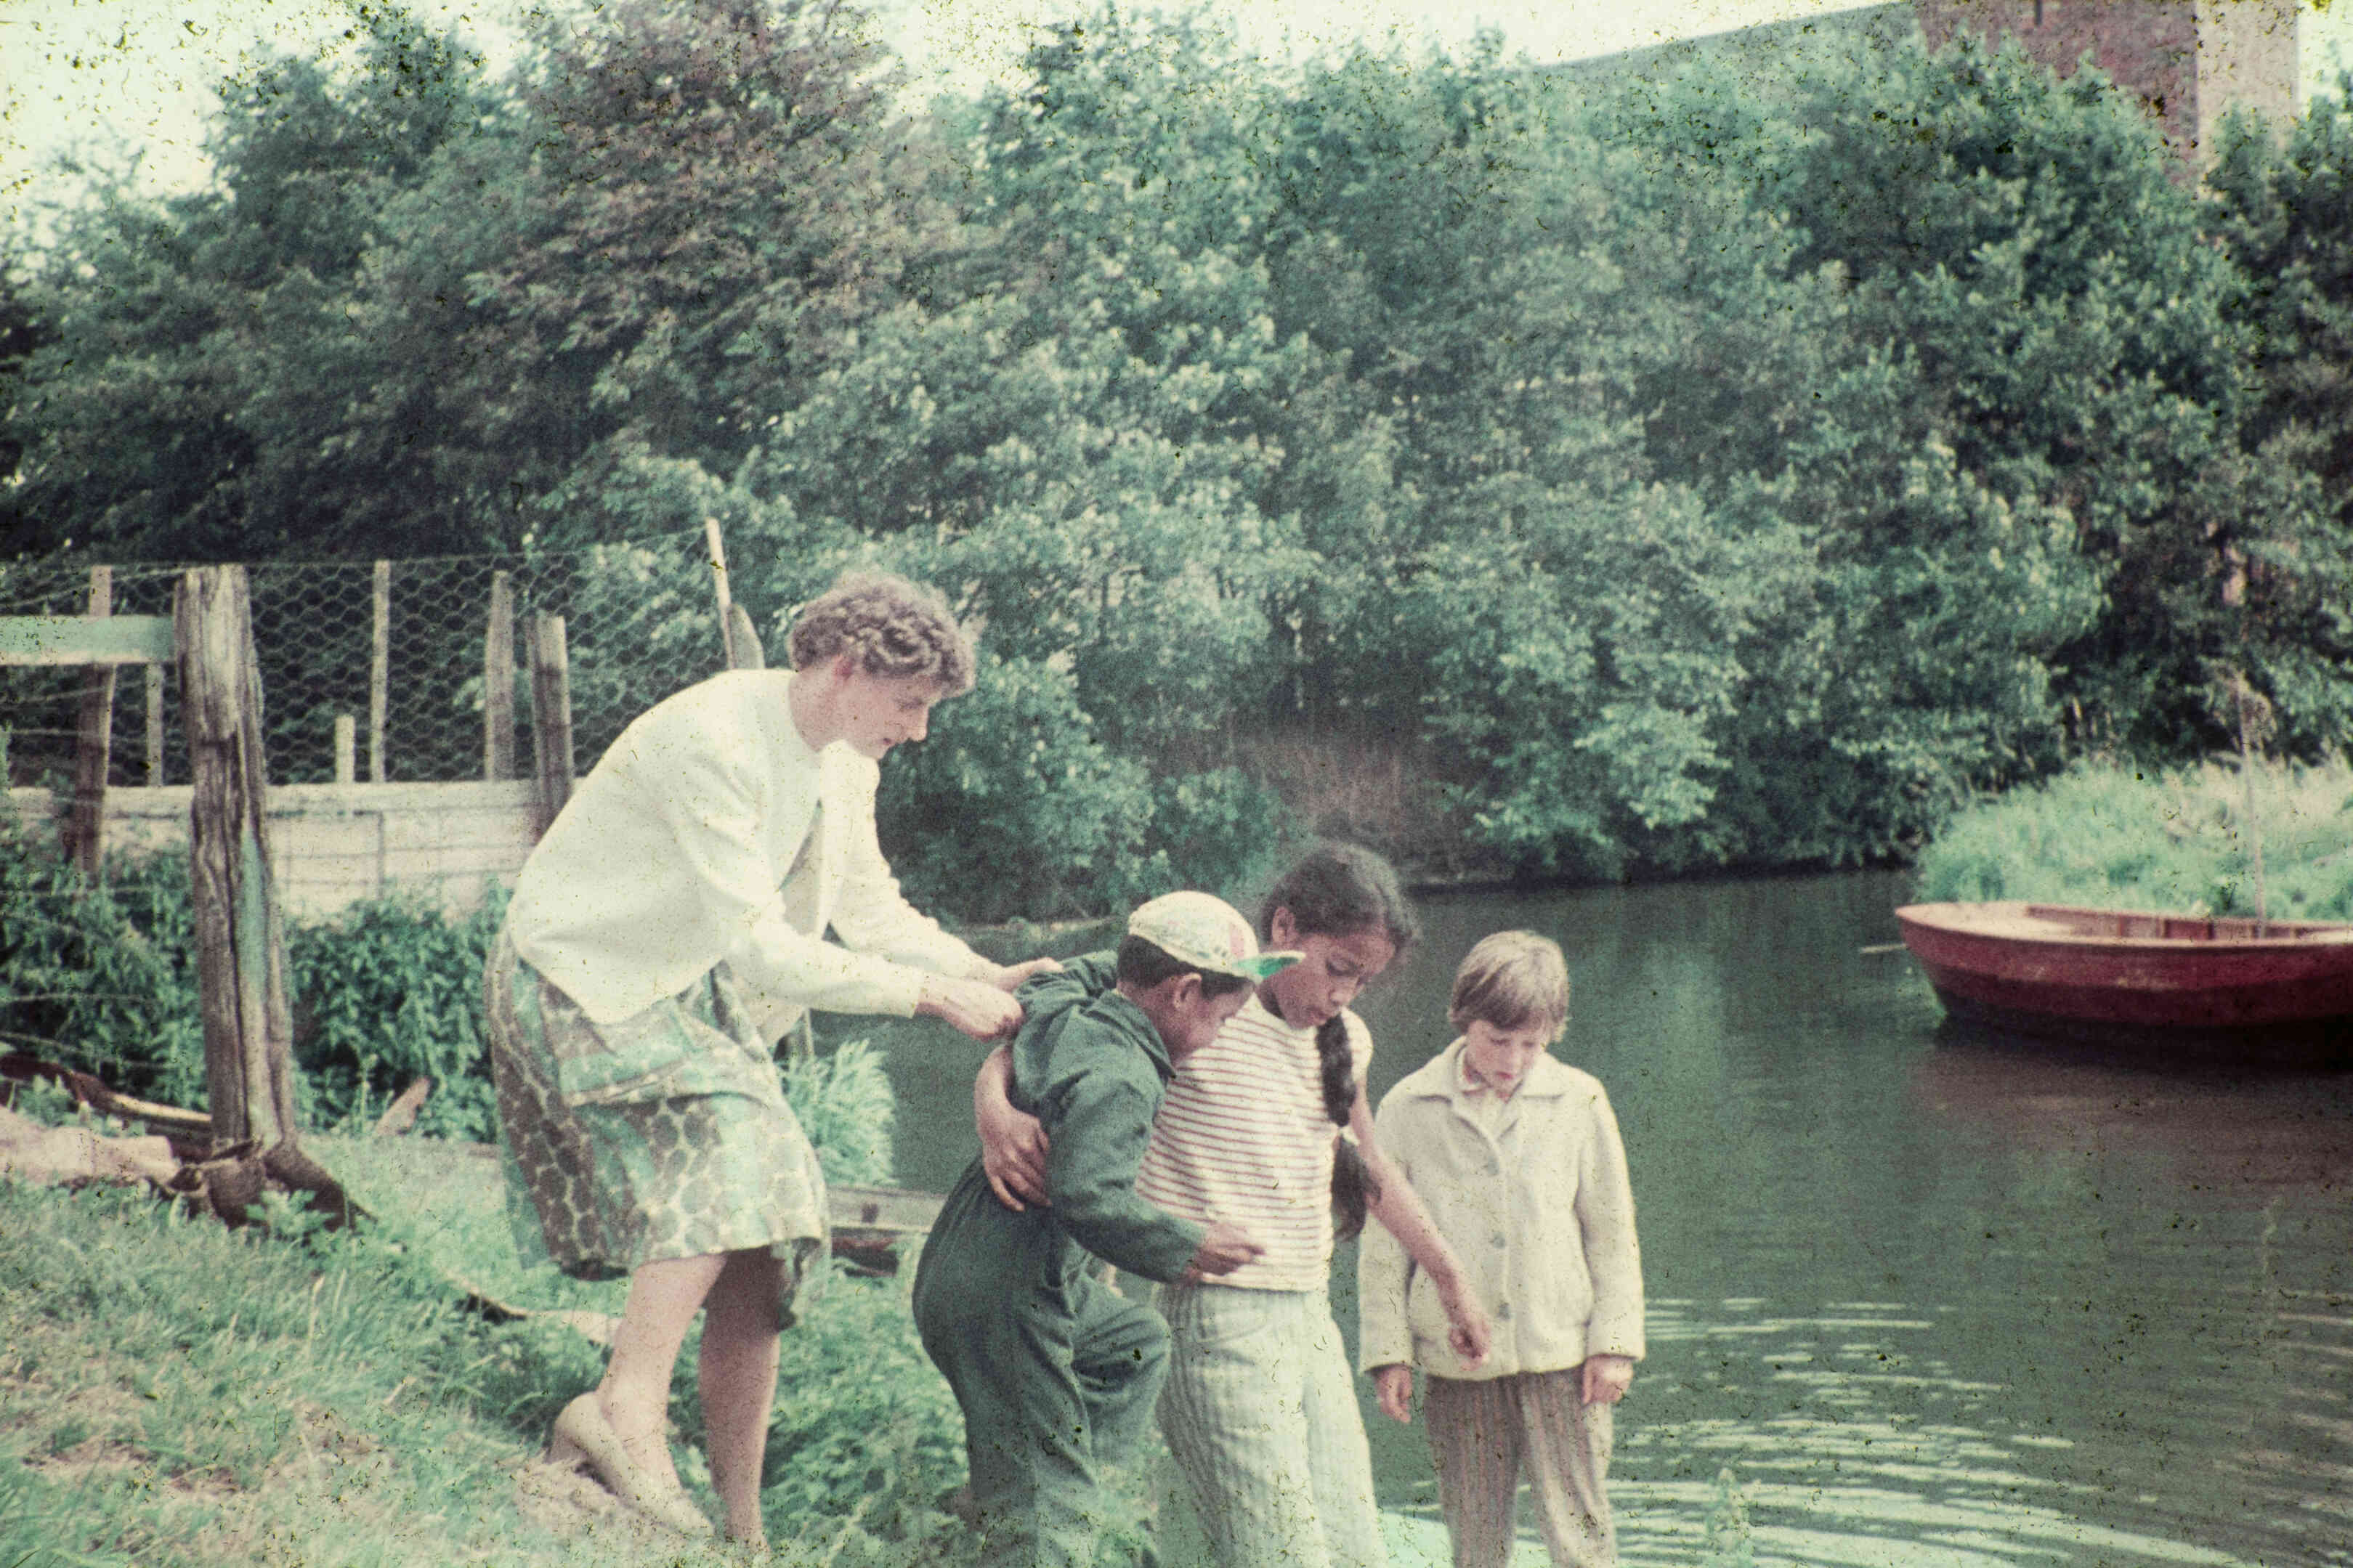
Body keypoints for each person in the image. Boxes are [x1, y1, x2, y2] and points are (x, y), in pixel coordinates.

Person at [483, 571, 1055, 1547]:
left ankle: (742, 1531)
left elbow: (868, 910)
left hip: (675, 981)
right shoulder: (713, 740)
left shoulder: (844, 758)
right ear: (847, 670)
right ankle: (621, 1407)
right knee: (738, 1152)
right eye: (910, 704)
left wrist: (979, 969)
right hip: (580, 975)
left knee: (771, 1229)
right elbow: (756, 947)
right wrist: (926, 995)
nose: (918, 730)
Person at [978, 843, 1495, 1568]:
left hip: (1308, 1318)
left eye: (1364, 979)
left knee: (1356, 1551)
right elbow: (1048, 1021)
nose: (1345, 993)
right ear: (1283, 926)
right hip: (1214, 1323)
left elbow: (1371, 1168)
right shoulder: (1199, 1008)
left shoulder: (1346, 1038)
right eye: (1338, 968)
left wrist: (1450, 1279)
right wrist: (991, 1097)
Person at [915, 891, 1287, 1568]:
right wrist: (1187, 1243)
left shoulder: (1071, 1006)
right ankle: (1035, 1506)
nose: (1226, 1032)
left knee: (1133, 1344)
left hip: (962, 1264)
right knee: (1045, 1513)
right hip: (1008, 1293)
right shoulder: (1122, 1073)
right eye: (1226, 1017)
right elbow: (1089, 1199)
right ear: (1184, 992)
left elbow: (1063, 971)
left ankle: (1039, 1479)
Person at [1358, 930, 1644, 1568]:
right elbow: (1384, 1247)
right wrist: (1388, 1353)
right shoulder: (1407, 1105)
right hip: (1459, 1364)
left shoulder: (1581, 1099)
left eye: (1531, 1044)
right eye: (1497, 1039)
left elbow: (1612, 1231)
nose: (1513, 1059)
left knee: (1581, 1536)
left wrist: (1614, 1343)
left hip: (1564, 1357)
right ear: (1464, 1018)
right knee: (1475, 1541)